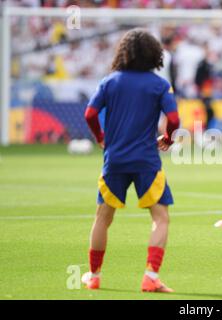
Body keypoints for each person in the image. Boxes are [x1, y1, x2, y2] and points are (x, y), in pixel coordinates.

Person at [82, 28, 180, 291]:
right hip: (147, 161)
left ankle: (93, 276)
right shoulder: (159, 85)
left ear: (123, 52)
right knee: (160, 218)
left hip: (114, 160)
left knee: (103, 218)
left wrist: (100, 137)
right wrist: (168, 140)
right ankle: (151, 276)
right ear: (155, 55)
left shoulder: (110, 81)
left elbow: (90, 113)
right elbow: (173, 120)